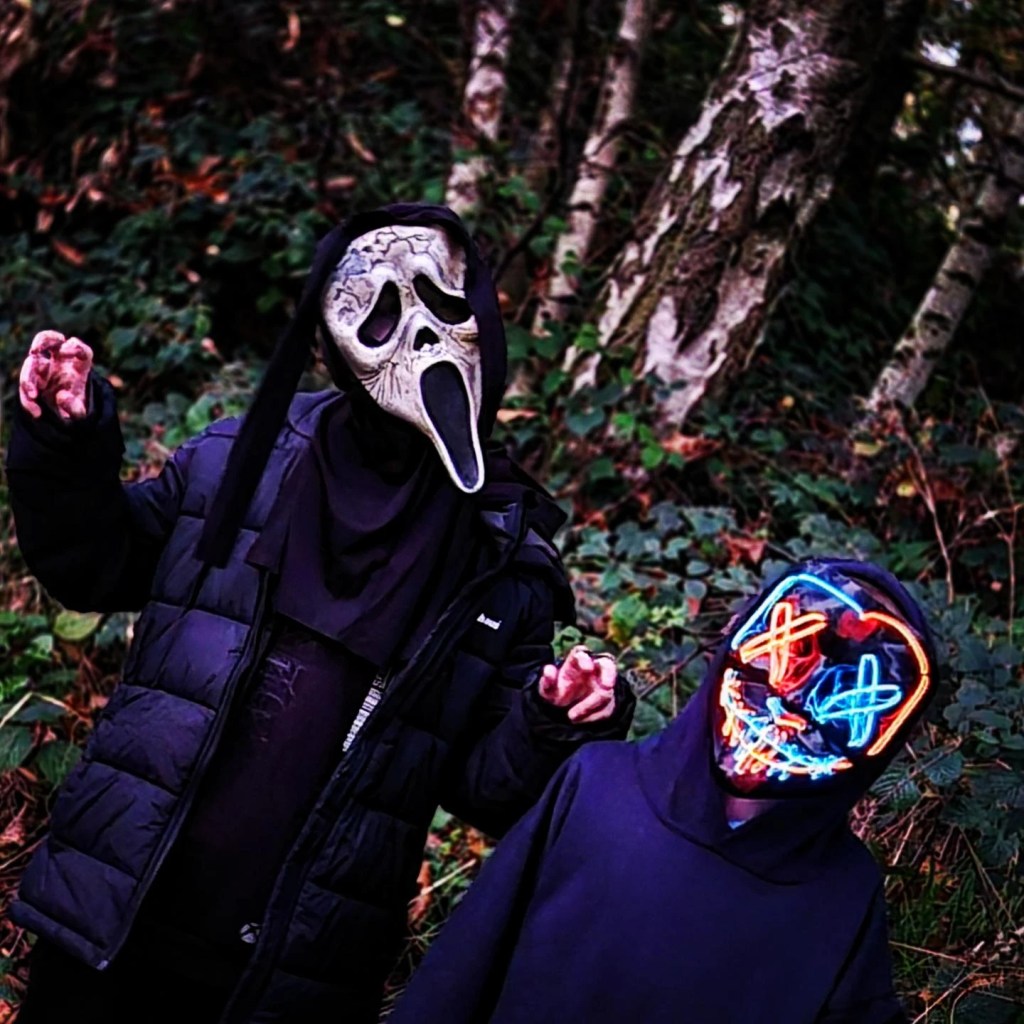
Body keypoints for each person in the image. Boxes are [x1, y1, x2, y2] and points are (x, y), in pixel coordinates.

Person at [7, 203, 634, 1024]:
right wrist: (66, 446)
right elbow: (99, 562)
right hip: (118, 912)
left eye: (442, 304)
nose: (420, 339)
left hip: (292, 971)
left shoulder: (500, 564)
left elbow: (485, 784)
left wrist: (556, 717)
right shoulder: (242, 463)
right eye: (382, 314)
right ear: (335, 343)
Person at [389, 559, 937, 1024]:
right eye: (791, 655)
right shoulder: (596, 787)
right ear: (739, 640)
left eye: (842, 691)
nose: (788, 704)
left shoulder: (842, 892)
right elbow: (464, 969)